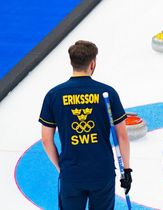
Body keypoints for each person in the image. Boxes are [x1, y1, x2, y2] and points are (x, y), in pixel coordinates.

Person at [39, 40, 132, 210]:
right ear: (93, 63)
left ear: (71, 62)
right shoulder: (107, 92)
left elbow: (46, 140)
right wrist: (126, 170)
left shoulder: (54, 95)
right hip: (102, 171)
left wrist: (61, 168)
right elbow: (122, 136)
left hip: (71, 172)